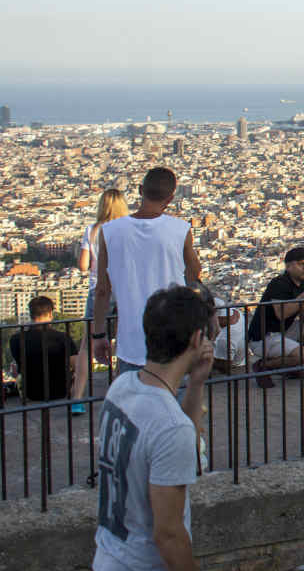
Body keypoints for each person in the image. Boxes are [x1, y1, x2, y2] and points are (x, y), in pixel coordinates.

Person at [92, 286, 228, 571]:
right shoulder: (168, 427)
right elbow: (168, 535)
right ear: (195, 340)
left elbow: (178, 436)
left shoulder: (124, 386)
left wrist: (197, 384)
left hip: (110, 556)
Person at [92, 168, 202, 375]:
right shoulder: (180, 230)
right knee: (172, 405)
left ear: (141, 190)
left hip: (130, 344)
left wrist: (98, 336)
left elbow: (102, 291)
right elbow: (194, 275)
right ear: (170, 199)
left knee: (131, 405)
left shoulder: (110, 232)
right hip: (174, 340)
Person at [71, 188, 129, 413]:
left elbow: (84, 265)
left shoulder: (92, 230)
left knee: (88, 345)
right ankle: (119, 394)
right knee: (122, 341)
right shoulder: (127, 229)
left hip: (97, 291)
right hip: (123, 290)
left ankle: (77, 399)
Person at [245, 247, 304, 388]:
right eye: (301, 264)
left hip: (281, 332)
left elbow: (303, 313)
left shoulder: (301, 285)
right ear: (288, 266)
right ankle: (263, 366)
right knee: (302, 355)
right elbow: (281, 313)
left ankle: (289, 367)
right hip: (263, 336)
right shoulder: (279, 283)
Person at [9, 296, 76, 403]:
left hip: (31, 393)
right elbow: (75, 365)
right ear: (50, 314)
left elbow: (19, 364)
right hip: (61, 391)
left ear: (31, 314)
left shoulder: (16, 339)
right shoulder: (62, 337)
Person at [211, 296, 246, 375]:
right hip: (243, 358)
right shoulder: (237, 312)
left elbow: (225, 367)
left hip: (234, 362)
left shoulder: (225, 338)